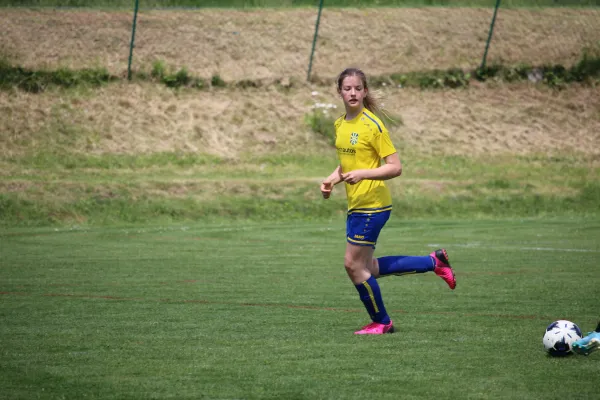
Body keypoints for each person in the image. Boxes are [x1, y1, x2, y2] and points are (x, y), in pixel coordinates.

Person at [320, 67, 456, 335]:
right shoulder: (340, 124)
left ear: (365, 91)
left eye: (358, 88)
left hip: (373, 205)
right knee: (368, 267)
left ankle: (382, 322)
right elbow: (347, 163)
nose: (353, 93)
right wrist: (331, 180)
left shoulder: (373, 125)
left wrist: (363, 174)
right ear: (339, 92)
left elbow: (395, 167)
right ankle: (434, 262)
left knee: (352, 265)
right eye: (347, 88)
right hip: (357, 205)